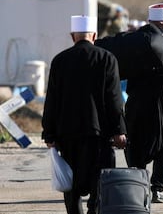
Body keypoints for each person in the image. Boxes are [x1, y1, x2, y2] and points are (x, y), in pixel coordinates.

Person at [96, 3, 163, 203]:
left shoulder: (132, 41)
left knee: (135, 142)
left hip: (138, 100)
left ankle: (138, 185)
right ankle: (158, 187)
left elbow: (108, 53)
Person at [42, 15, 127, 214]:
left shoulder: (60, 60)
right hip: (99, 133)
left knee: (71, 179)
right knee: (99, 179)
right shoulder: (107, 58)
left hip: (67, 133)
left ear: (73, 36)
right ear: (95, 35)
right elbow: (114, 98)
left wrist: (49, 133)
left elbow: (52, 99)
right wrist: (119, 130)